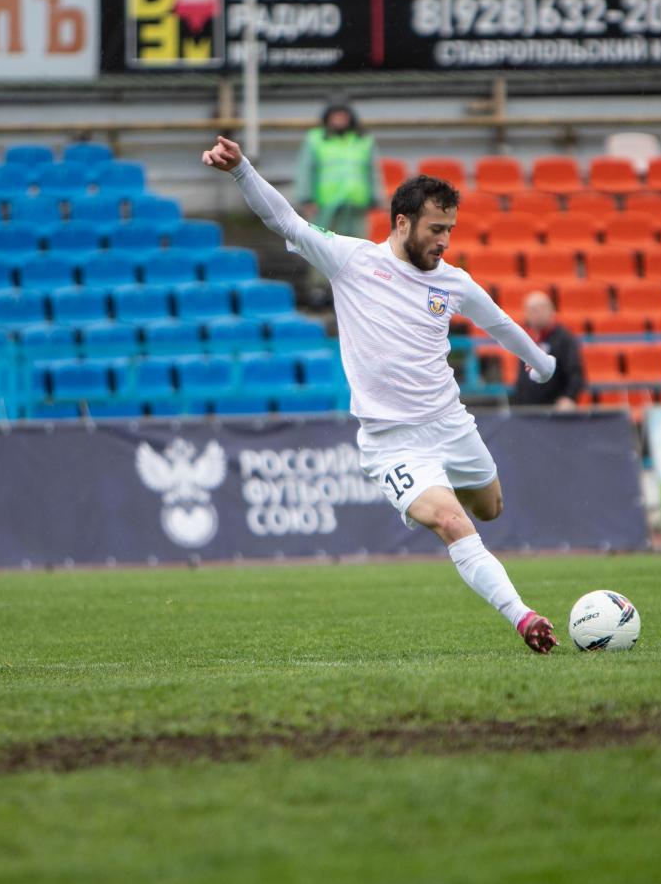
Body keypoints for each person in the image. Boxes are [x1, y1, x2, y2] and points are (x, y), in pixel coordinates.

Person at [205, 134, 562, 653]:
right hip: (393, 441)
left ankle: (446, 488)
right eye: (436, 229)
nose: (444, 241)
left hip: (451, 425)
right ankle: (522, 616)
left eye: (450, 230)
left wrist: (541, 363)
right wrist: (242, 171)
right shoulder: (351, 261)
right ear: (402, 223)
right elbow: (285, 220)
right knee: (452, 519)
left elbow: (500, 324)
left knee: (491, 507)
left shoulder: (452, 282)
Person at [294, 102, 383, 240]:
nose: (339, 119)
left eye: (343, 115)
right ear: (328, 118)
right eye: (336, 115)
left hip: (356, 205)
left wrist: (375, 198)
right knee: (323, 246)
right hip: (325, 206)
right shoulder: (315, 138)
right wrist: (306, 199)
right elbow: (306, 169)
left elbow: (373, 171)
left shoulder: (363, 140)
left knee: (357, 247)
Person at [510, 291, 584, 409]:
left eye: (542, 308)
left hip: (555, 409)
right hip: (526, 410)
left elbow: (575, 373)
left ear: (552, 310)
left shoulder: (563, 338)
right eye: (532, 310)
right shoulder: (522, 336)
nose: (538, 313)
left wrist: (569, 397)